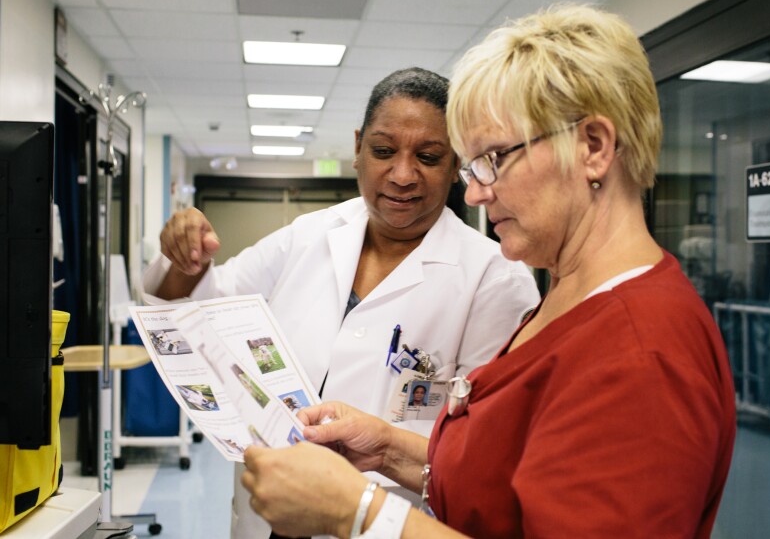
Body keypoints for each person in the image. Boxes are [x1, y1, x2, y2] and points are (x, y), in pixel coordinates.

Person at [240, 4, 736, 539]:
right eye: (472, 165)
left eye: (493, 159)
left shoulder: (641, 354)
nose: (473, 192)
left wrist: (356, 512)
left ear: (593, 147)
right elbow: (501, 479)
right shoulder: (569, 299)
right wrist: (385, 447)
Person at [142, 67, 539, 538]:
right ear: (357, 147)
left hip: (384, 523)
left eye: (429, 157)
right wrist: (182, 260)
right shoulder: (310, 234)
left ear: (457, 164)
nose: (403, 174)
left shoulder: (494, 278)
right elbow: (198, 309)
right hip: (267, 512)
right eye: (383, 151)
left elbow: (483, 447)